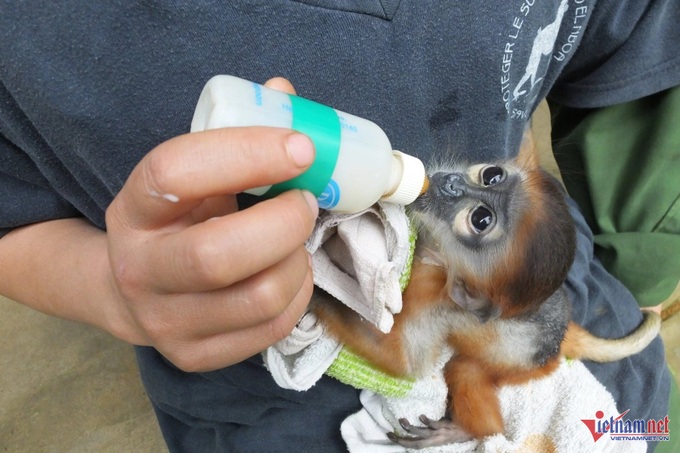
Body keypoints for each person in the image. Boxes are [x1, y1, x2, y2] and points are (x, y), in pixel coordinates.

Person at [0, 1, 678, 452]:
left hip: (614, 387)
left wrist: (643, 269)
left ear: (472, 293)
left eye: (478, 209)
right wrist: (111, 290)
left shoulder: (462, 311)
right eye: (490, 178)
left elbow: (400, 359)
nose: (459, 176)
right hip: (255, 418)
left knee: (637, 422)